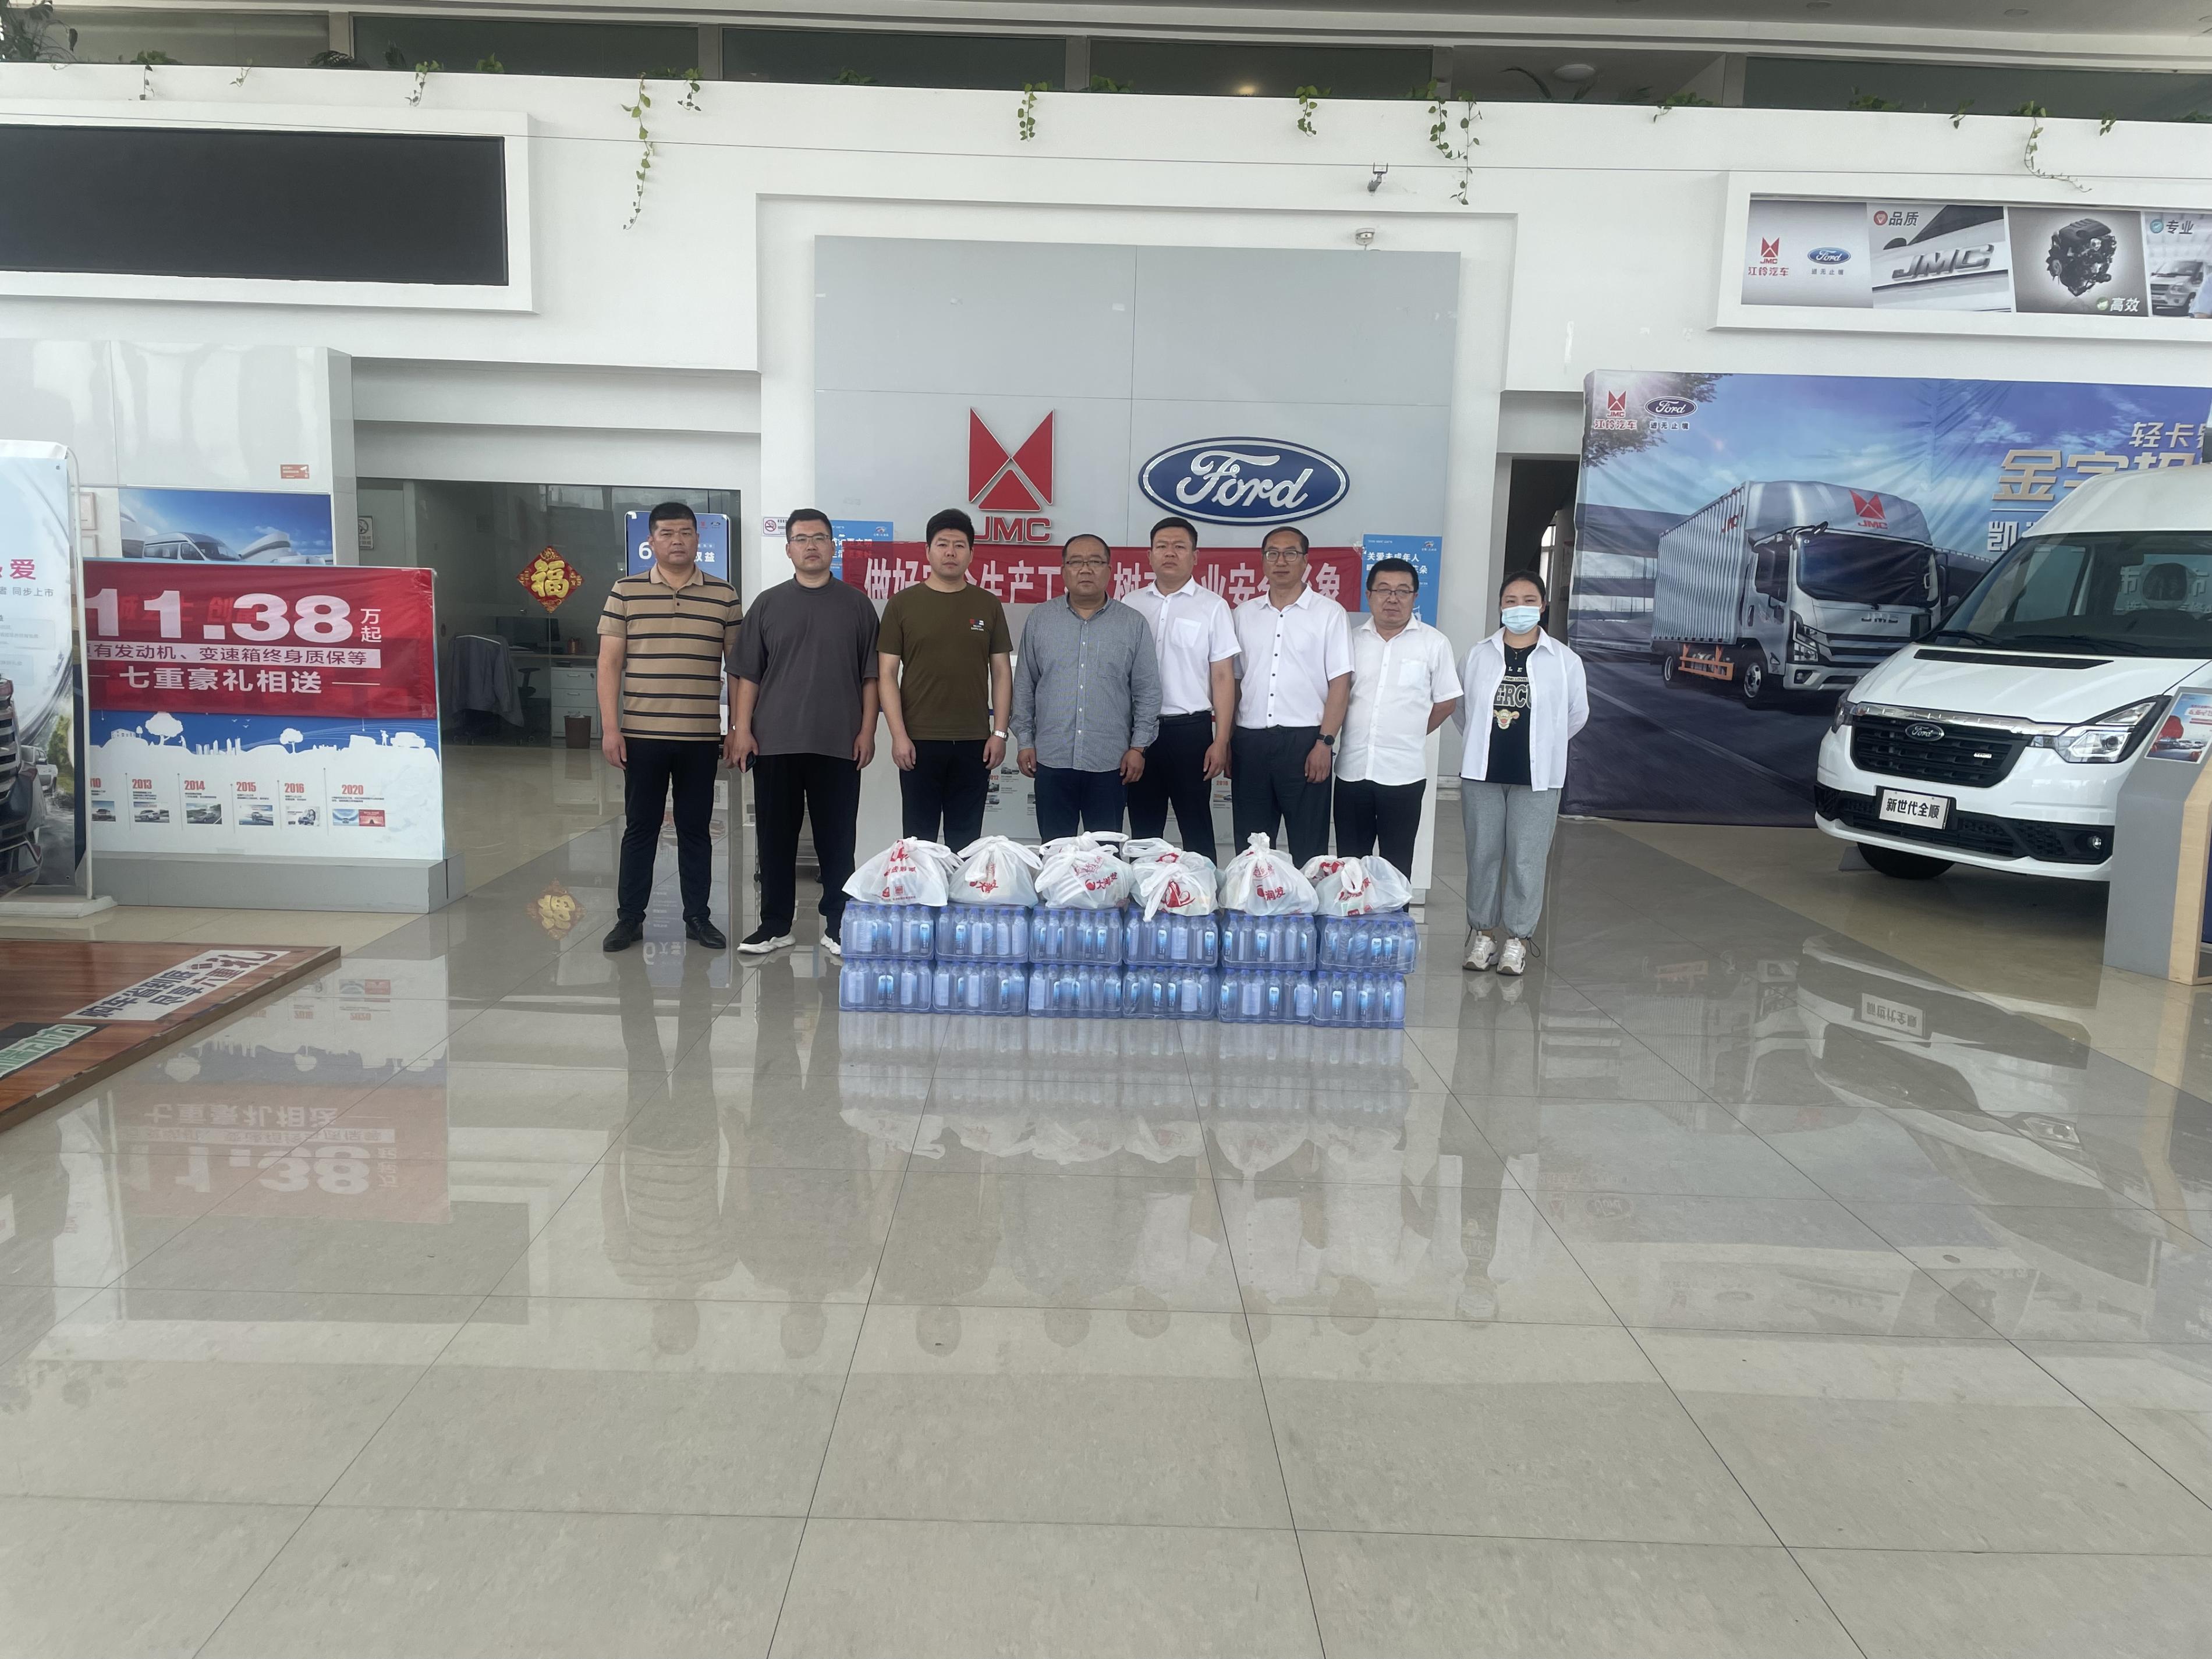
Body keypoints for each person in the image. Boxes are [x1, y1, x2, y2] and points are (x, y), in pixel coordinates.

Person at [726, 508, 880, 957]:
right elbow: (748, 675)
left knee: (838, 840)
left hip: (839, 742)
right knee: (775, 838)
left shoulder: (857, 606)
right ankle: (775, 924)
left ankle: (838, 923)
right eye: (801, 538)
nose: (811, 546)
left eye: (819, 538)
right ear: (788, 548)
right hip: (775, 741)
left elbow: (871, 677)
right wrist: (741, 729)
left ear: (833, 546)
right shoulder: (768, 604)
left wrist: (867, 731)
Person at [597, 501, 743, 953]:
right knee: (640, 828)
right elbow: (609, 664)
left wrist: (737, 727)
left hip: (700, 737)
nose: (677, 541)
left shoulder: (724, 595)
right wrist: (610, 729)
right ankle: (629, 919)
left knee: (696, 829)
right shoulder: (625, 591)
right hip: (641, 736)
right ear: (651, 541)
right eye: (667, 533)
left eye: (685, 532)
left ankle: (698, 918)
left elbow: (738, 669)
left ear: (699, 539)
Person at [1456, 571, 1587, 977]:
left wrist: (1545, 748)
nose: (1519, 608)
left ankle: (1517, 939)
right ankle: (1483, 935)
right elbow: (1462, 710)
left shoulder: (1564, 660)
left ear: (1543, 606)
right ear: (1500, 605)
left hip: (1538, 778)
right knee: (1483, 855)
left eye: (1529, 600)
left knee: (1526, 860)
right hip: (1483, 773)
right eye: (1511, 600)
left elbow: (1576, 714)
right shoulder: (1478, 655)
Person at [877, 508, 1012, 849]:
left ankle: (962, 888)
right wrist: (898, 735)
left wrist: (999, 733)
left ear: (971, 554)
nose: (950, 552)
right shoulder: (902, 604)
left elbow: (1001, 672)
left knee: (966, 844)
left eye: (959, 545)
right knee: (919, 842)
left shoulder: (987, 604)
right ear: (927, 551)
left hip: (974, 741)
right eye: (942, 544)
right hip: (918, 741)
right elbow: (887, 674)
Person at [1013, 533, 1161, 840]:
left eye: (1095, 562)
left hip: (1110, 763)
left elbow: (1147, 691)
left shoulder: (1132, 624)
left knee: (1105, 856)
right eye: (1076, 562)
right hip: (1052, 759)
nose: (1085, 569)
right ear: (1063, 570)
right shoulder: (1040, 619)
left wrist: (1138, 748)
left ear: (1109, 570)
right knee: (1055, 853)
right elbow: (1025, 686)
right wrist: (1025, 741)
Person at [1230, 525, 1352, 865]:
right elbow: (1234, 683)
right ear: (1263, 561)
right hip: (1250, 742)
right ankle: (1252, 900)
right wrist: (1227, 739)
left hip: (1306, 743)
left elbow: (1341, 684)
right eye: (1273, 553)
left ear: (1306, 561)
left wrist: (1325, 743)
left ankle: (1307, 901)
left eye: (1290, 553)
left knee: (1309, 848)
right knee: (1252, 850)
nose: (1281, 561)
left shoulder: (1329, 614)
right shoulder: (1243, 614)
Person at [1335, 557, 1462, 879]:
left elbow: (1447, 702)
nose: (1393, 599)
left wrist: (1413, 732)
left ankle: (1394, 914)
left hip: (1404, 775)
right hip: (1352, 772)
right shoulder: (1350, 641)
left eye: (1403, 591)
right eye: (1384, 590)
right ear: (1369, 595)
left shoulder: (1434, 643)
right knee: (1351, 865)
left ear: (1415, 597)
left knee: (1397, 865)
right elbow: (1335, 696)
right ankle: (1353, 913)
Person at [1123, 516, 1239, 861]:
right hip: (1140, 732)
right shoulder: (1130, 604)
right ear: (1149, 556)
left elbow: (1223, 676)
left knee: (1196, 823)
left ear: (1195, 556)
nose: (1170, 553)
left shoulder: (1213, 606)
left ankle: (1203, 890)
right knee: (1144, 827)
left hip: (1191, 732)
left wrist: (1221, 740)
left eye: (1179, 547)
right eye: (1162, 546)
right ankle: (1146, 888)